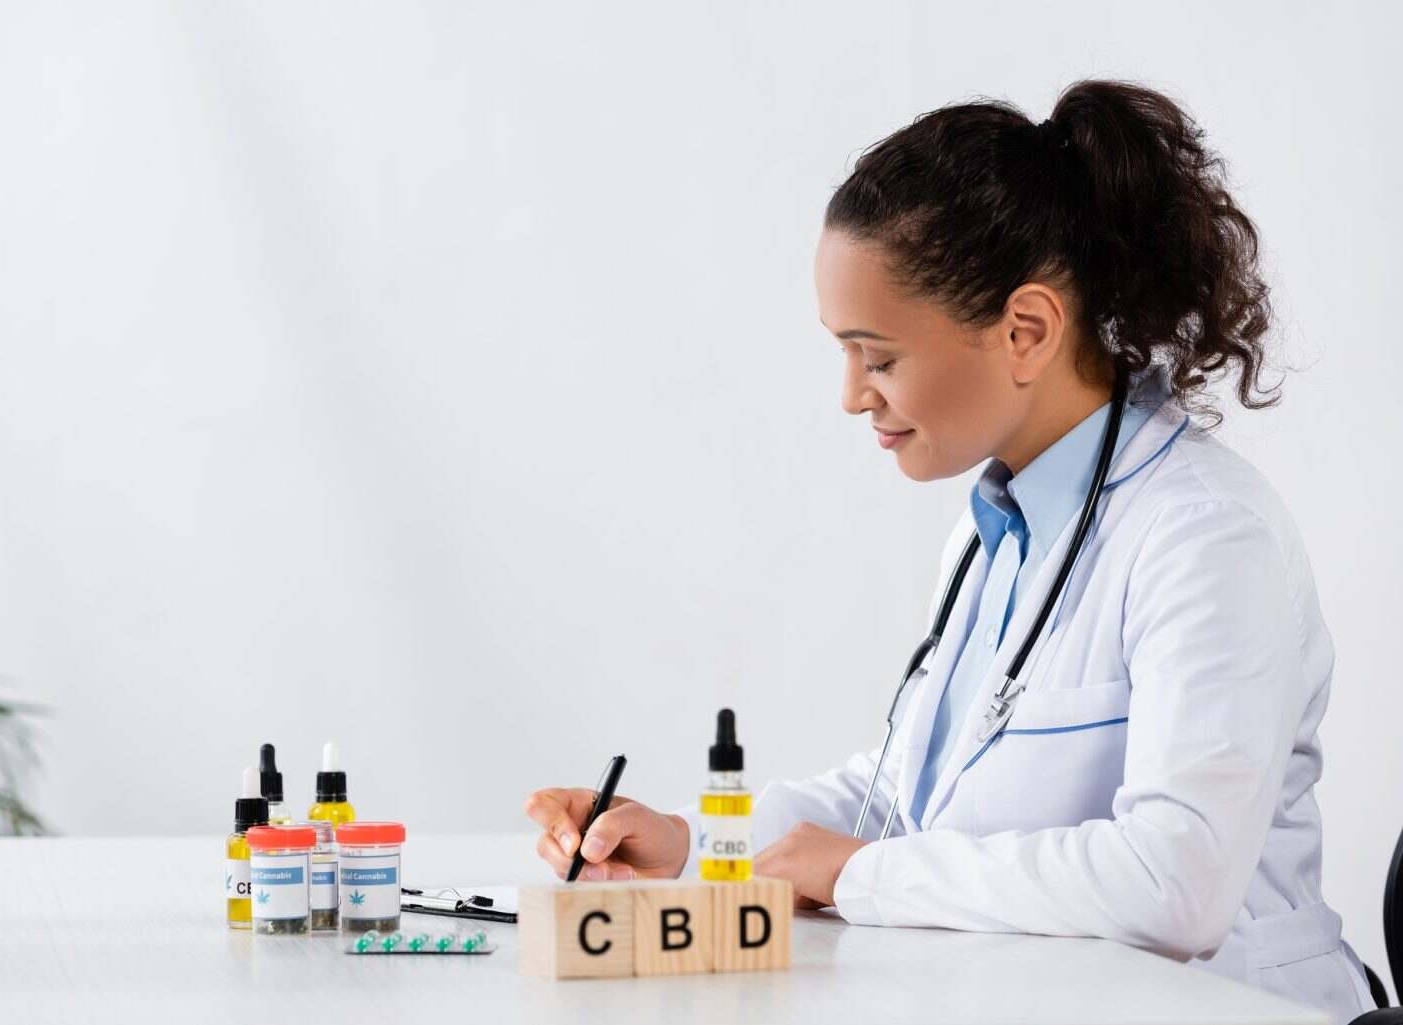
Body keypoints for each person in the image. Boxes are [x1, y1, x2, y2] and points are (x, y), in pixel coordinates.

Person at [522, 78, 1373, 1022]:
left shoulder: (1207, 537)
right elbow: (903, 791)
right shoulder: (994, 528)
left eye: (877, 356)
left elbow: (1175, 881)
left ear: (1026, 331)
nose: (852, 394)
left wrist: (866, 878)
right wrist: (691, 841)